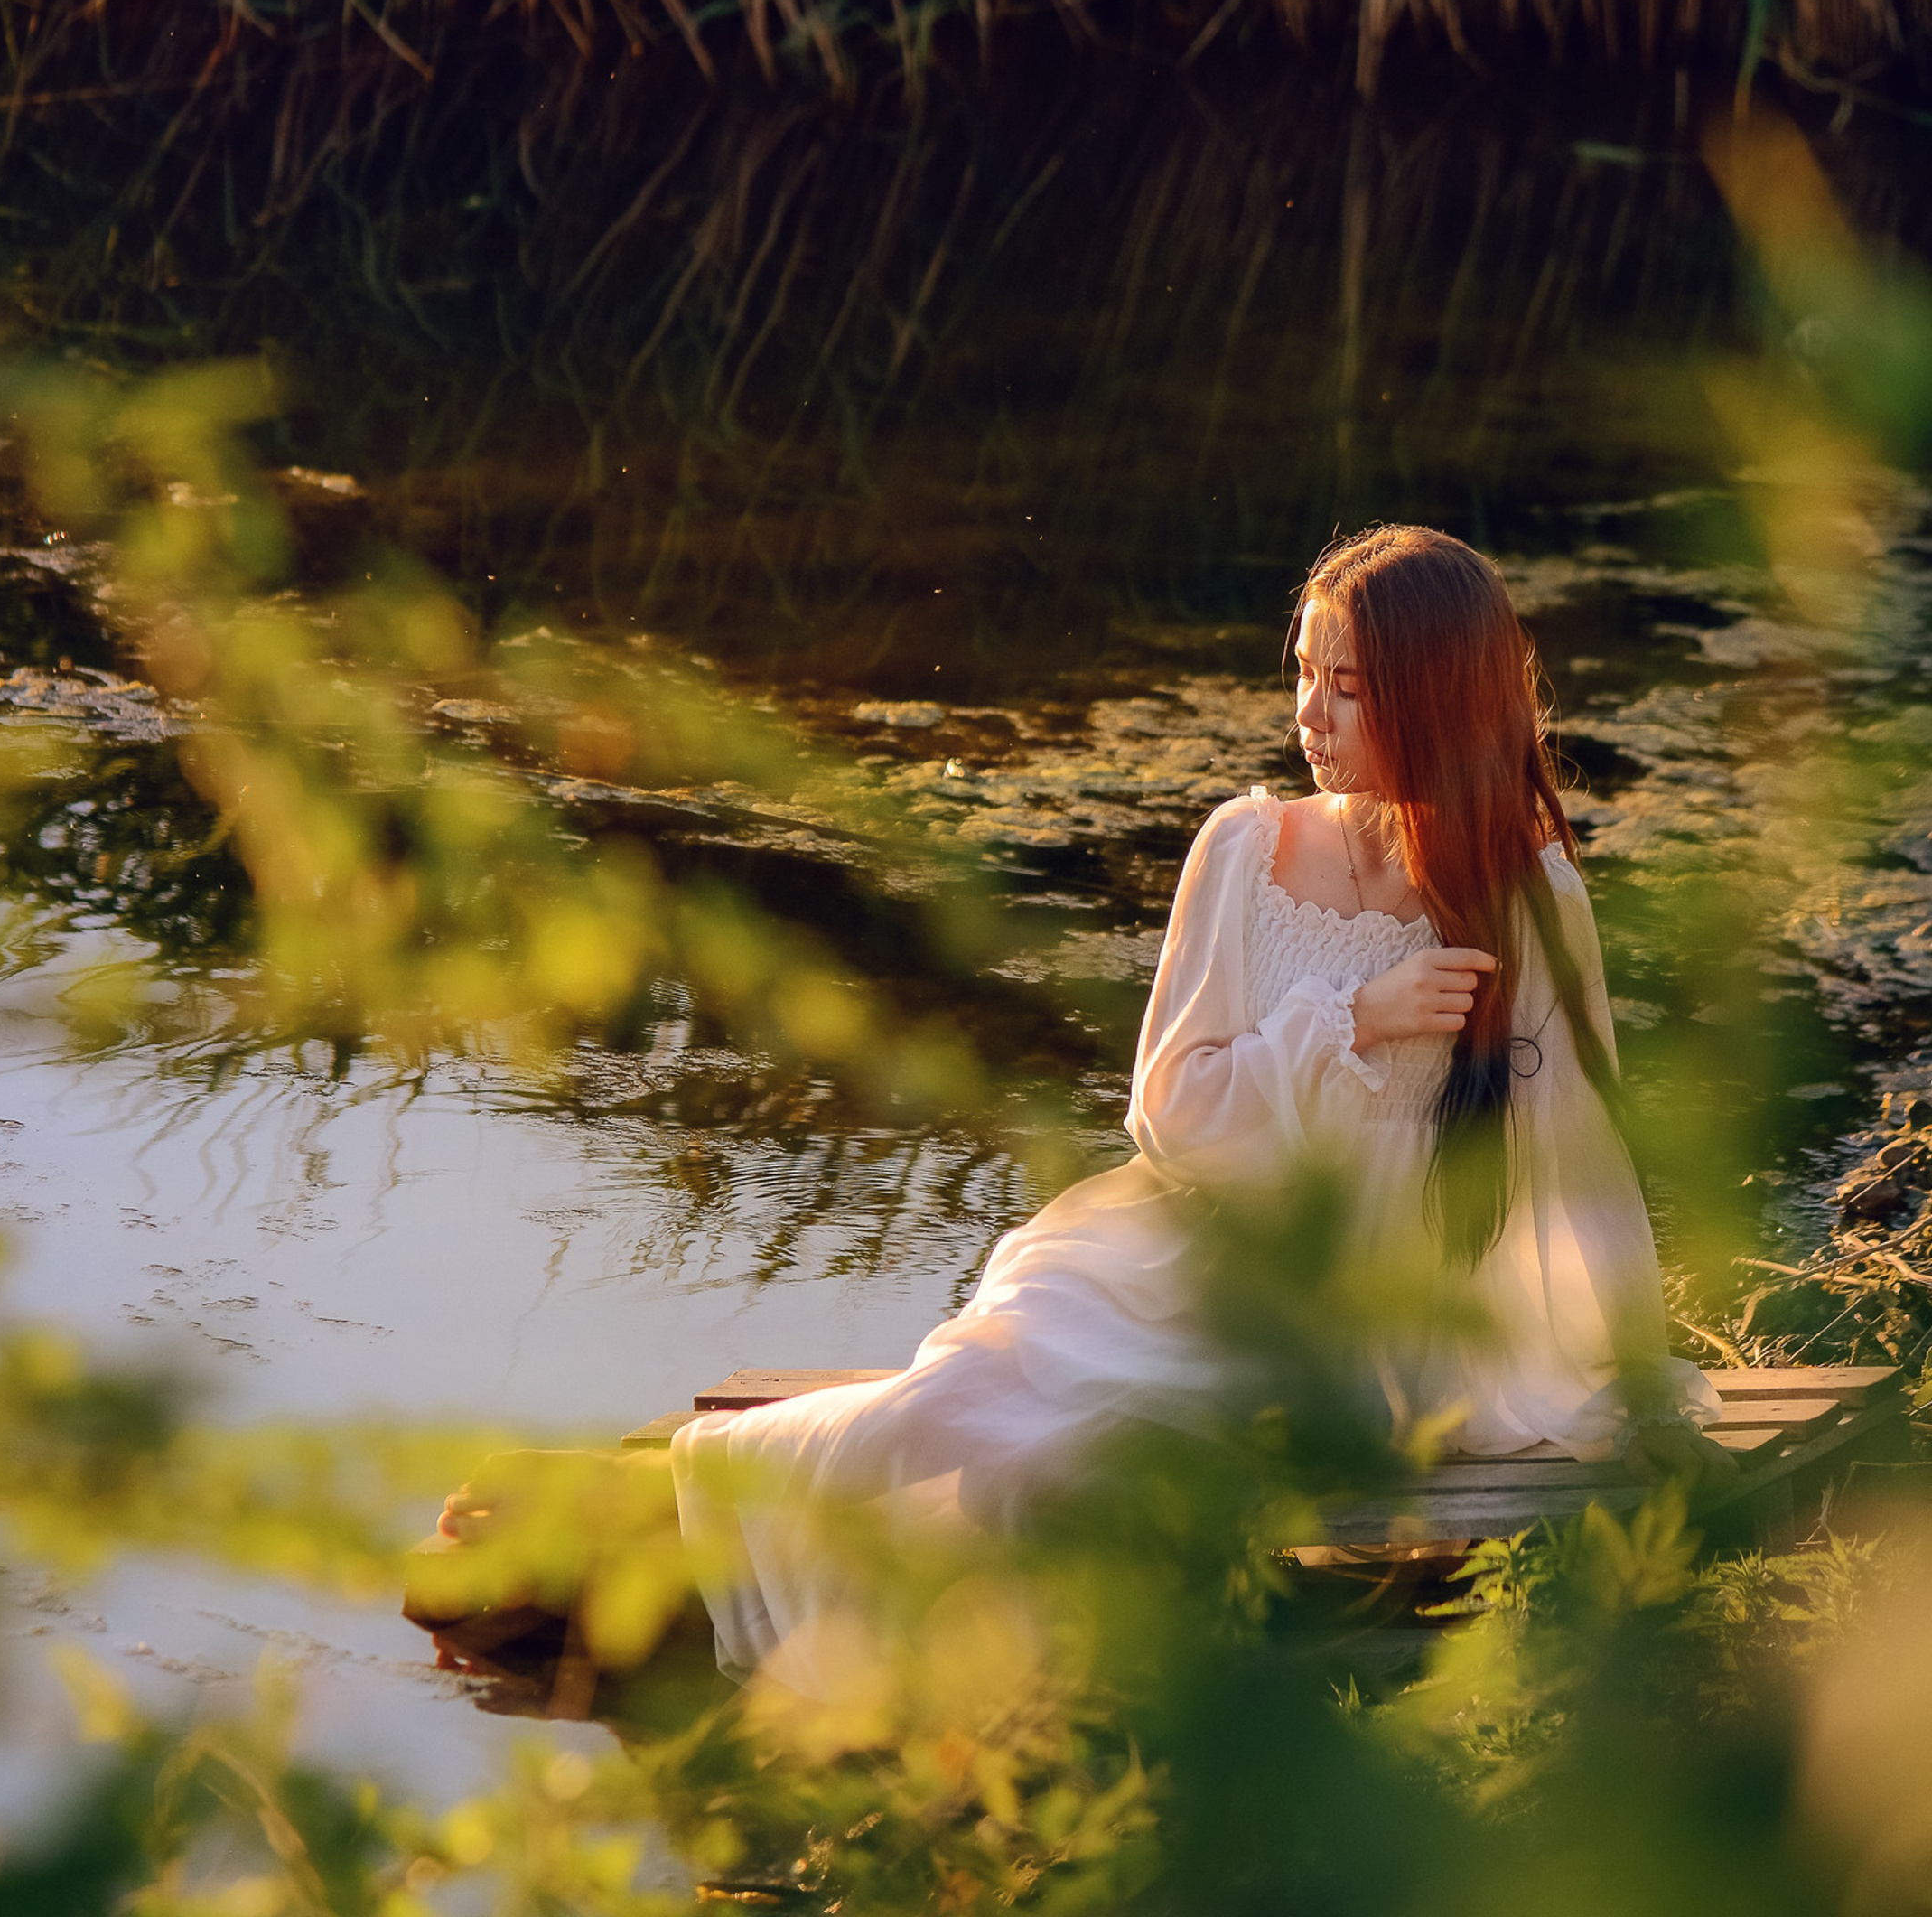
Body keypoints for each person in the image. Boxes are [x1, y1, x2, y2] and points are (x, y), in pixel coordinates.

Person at [642, 524, 1728, 1686]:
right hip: (1191, 1255)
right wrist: (1349, 1020)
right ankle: (702, 1508)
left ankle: (998, 1691)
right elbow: (1169, 1114)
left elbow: (1578, 1161)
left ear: (1437, 696)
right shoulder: (1244, 850)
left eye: (1347, 688)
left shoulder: (1531, 893)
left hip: (1363, 1322)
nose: (1309, 714)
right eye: (1302, 674)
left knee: (1062, 1466)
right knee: (957, 1402)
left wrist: (1622, 1365)